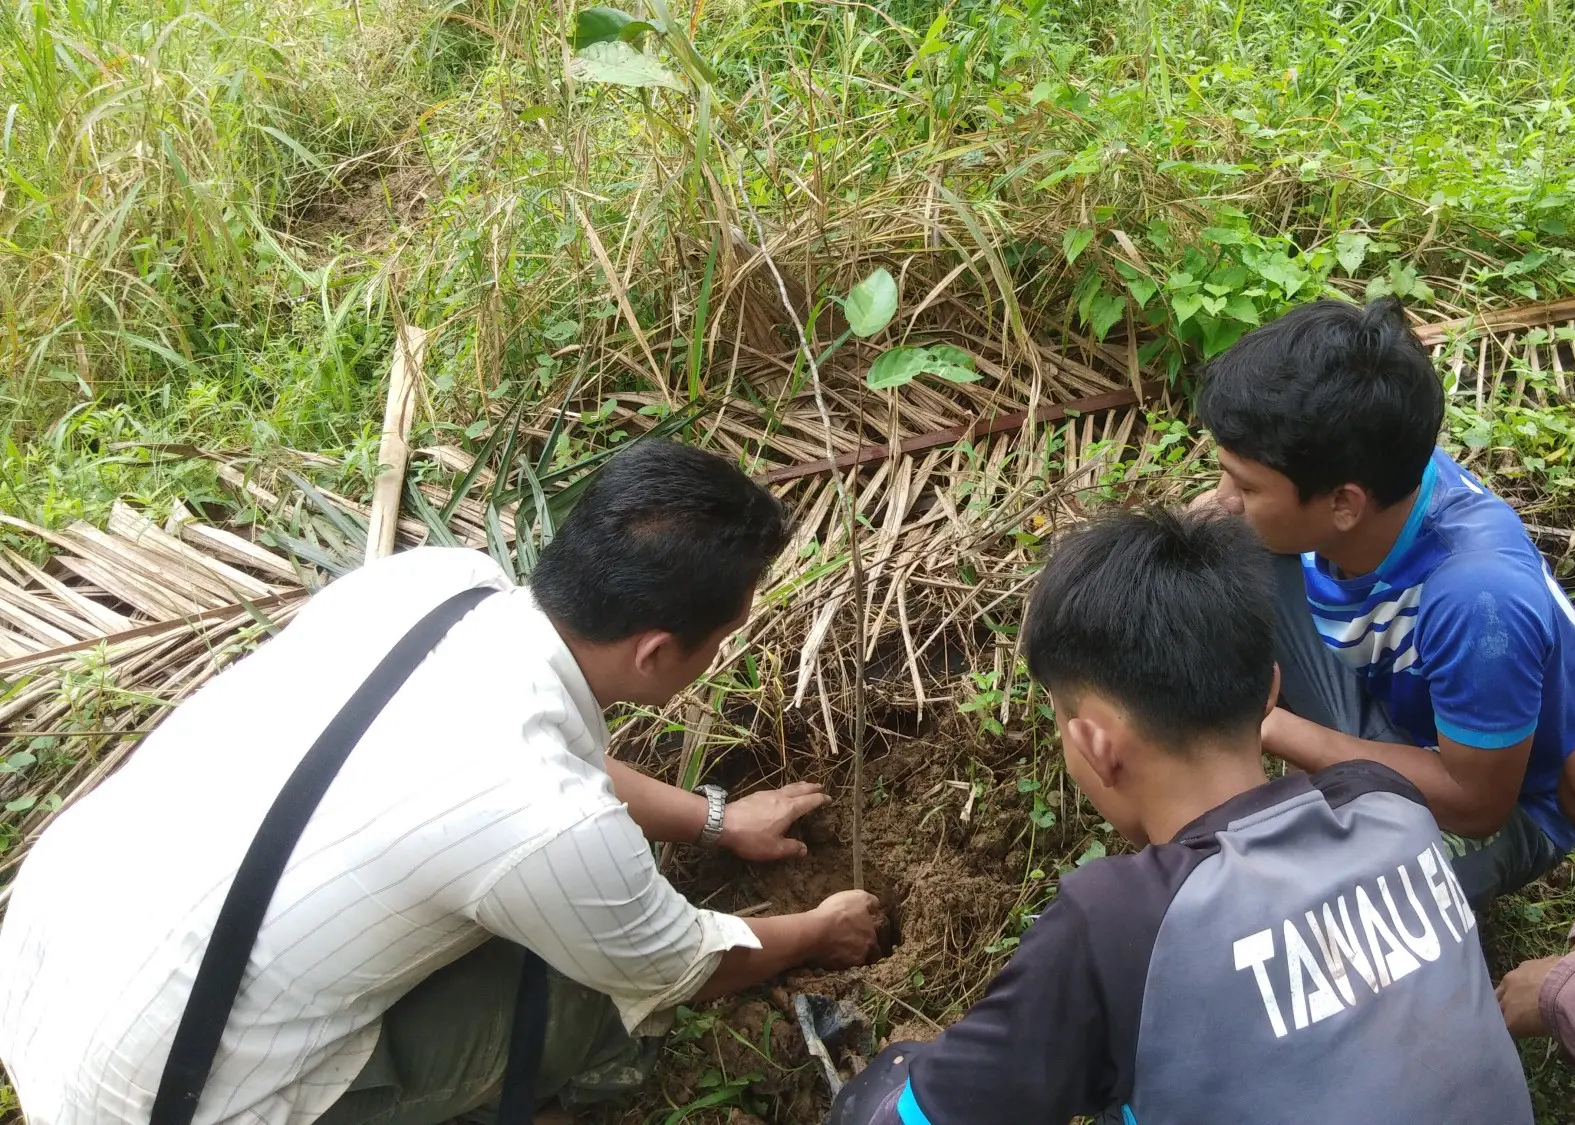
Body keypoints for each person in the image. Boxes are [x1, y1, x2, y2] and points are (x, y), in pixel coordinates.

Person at [0, 439, 883, 1125]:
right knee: (589, 989)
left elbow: (534, 764)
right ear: (657, 652)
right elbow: (681, 964)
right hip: (156, 1096)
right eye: (722, 634)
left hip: (53, 967)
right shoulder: (550, 821)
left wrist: (712, 818)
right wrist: (814, 930)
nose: (722, 649)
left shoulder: (438, 585)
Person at [827, 507, 1532, 1125]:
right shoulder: (1385, 802)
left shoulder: (1116, 921)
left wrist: (886, 1078)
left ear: (1094, 744)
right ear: (1270, 693)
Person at [1193, 296, 1575, 907]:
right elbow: (1214, 530)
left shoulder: (1478, 602)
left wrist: (1267, 724)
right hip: (1399, 696)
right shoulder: (1370, 462)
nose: (1225, 498)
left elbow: (1477, 805)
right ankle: (1345, 769)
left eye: (1245, 485)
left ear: (1344, 504)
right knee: (1216, 551)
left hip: (1500, 793)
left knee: (1344, 905)